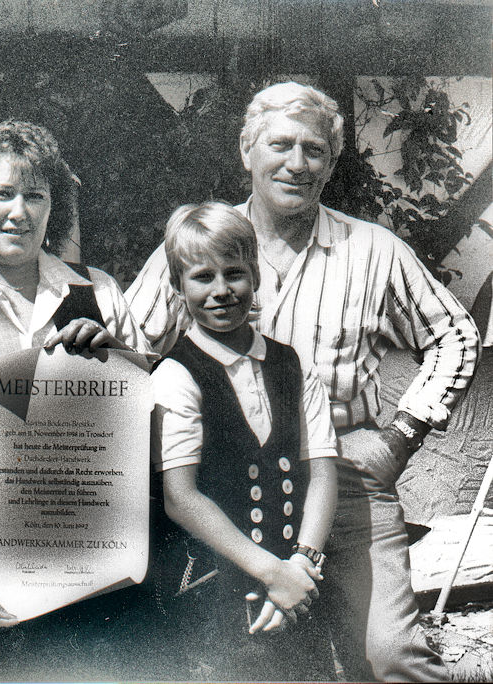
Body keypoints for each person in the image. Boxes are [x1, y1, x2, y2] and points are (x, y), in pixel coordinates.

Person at [127, 81, 480, 681]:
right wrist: (88, 343)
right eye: (280, 145)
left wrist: (401, 435)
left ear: (332, 161)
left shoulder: (373, 251)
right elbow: (134, 348)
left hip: (340, 487)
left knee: (391, 658)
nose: (297, 163)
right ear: (247, 150)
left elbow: (457, 335)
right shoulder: (198, 245)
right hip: (223, 491)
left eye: (314, 149)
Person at [0, 119, 150, 681]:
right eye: (2, 193)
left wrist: (123, 362)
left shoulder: (101, 291)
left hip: (103, 577)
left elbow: (146, 431)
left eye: (35, 195)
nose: (20, 211)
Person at [149, 201, 338, 681]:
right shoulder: (175, 375)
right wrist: (272, 574)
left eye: (233, 273)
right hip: (218, 592)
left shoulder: (291, 365)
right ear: (177, 286)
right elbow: (181, 498)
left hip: (299, 582)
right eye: (201, 277)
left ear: (255, 275)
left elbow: (320, 474)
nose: (220, 291)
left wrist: (302, 566)